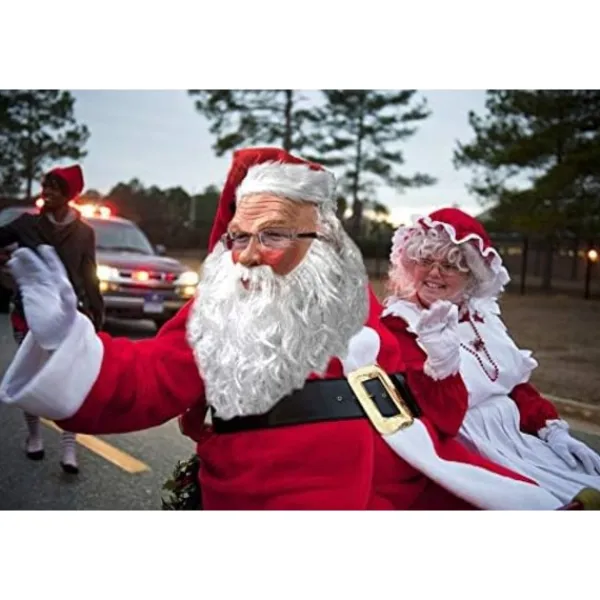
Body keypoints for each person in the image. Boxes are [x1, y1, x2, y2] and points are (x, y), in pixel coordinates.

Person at [0, 148, 568, 509]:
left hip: (396, 489)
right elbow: (146, 379)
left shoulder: (360, 303)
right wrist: (65, 342)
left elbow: (429, 413)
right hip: (281, 497)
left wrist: (442, 365)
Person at [381, 207, 600, 504]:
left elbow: (513, 386)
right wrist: (442, 364)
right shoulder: (400, 324)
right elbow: (442, 420)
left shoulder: (481, 319)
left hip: (518, 440)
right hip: (465, 449)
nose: (434, 272)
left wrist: (550, 429)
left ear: (472, 277)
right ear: (410, 265)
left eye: (450, 265)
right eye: (425, 261)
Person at [0, 164, 104, 474]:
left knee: (68, 378)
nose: (47, 192)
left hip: (69, 316)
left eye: (55, 188)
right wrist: (8, 264)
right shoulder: (26, 224)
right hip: (28, 313)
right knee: (32, 374)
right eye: (45, 186)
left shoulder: (84, 232)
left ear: (69, 194)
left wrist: (97, 311)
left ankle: (69, 447)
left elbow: (90, 274)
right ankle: (34, 437)